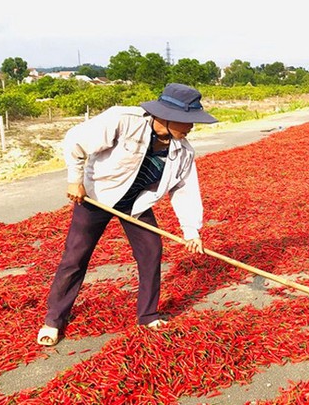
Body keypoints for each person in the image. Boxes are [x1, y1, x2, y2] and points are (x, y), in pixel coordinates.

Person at [37, 83, 218, 346]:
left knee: (151, 251)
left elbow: (184, 190)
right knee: (75, 256)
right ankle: (53, 320)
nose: (191, 127)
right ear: (166, 117)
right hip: (97, 197)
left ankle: (148, 315)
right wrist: (75, 180)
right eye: (187, 121)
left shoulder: (183, 151)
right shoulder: (124, 120)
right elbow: (75, 140)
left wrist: (191, 231)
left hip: (136, 203)